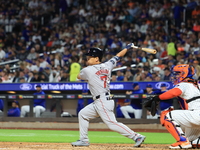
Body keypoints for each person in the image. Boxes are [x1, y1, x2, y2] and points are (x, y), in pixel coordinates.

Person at [71, 44, 146, 147]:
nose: (87, 60)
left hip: (102, 101)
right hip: (102, 100)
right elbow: (118, 56)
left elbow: (79, 76)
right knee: (83, 114)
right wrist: (127, 48)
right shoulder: (108, 65)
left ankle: (136, 136)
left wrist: (89, 70)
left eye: (89, 58)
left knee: (111, 123)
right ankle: (84, 140)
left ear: (96, 58)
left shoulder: (88, 70)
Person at [150, 64, 200, 149]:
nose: (175, 76)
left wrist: (157, 98)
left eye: (177, 73)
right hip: (195, 117)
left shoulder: (185, 84)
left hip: (196, 115)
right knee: (191, 141)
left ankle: (182, 141)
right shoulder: (197, 84)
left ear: (184, 73)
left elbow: (174, 93)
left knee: (166, 115)